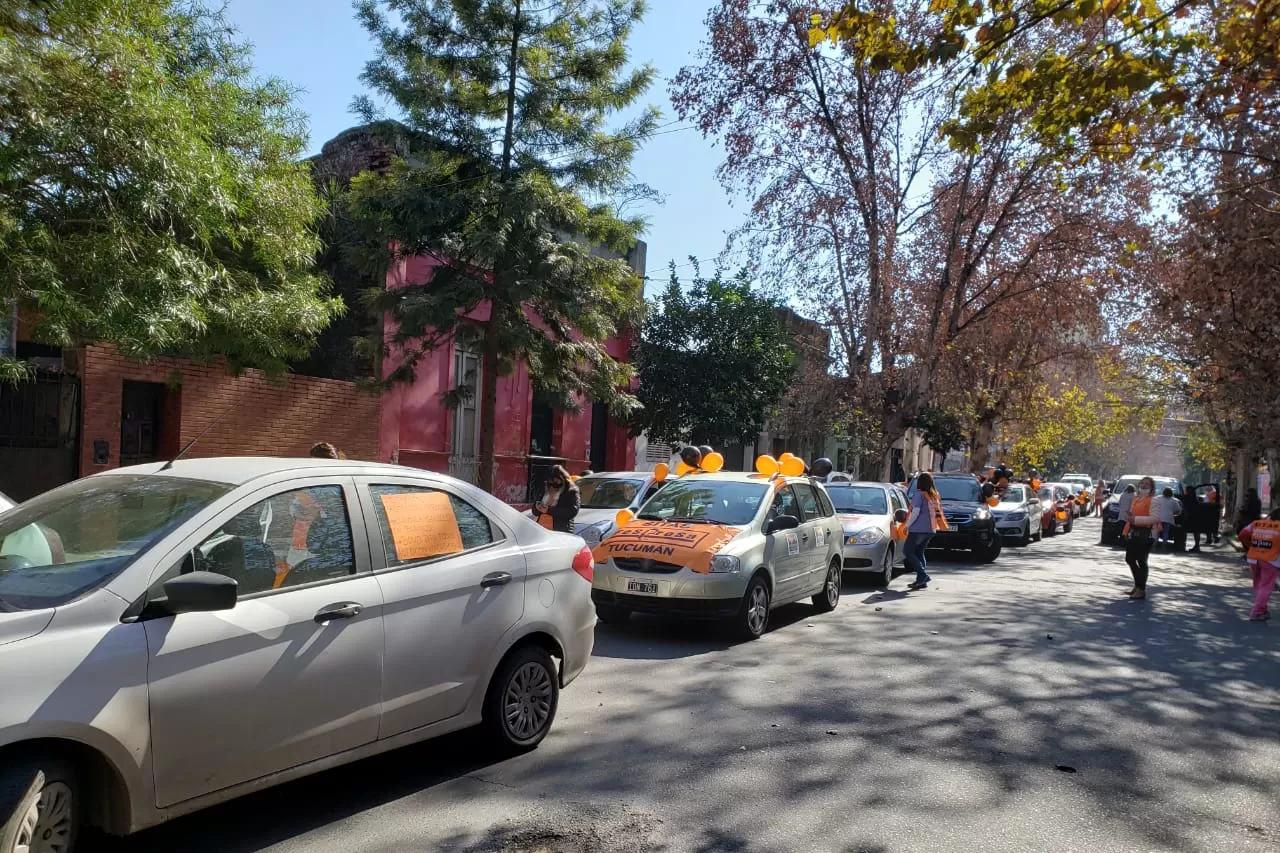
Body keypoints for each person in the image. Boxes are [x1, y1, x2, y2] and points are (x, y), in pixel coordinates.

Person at [1238, 507, 1280, 621]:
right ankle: (1257, 611)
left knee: (1259, 585)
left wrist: (1249, 546)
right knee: (1266, 586)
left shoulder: (1257, 524)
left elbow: (1242, 534)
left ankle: (1263, 609)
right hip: (1271, 559)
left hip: (1253, 558)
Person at [904, 472, 944, 591]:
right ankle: (921, 581)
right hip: (931, 529)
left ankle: (922, 575)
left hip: (918, 529)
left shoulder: (919, 494)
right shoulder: (934, 495)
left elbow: (915, 512)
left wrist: (907, 525)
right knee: (919, 552)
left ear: (920, 482)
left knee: (908, 551)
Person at [1121, 476, 1159, 599]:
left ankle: (1141, 589)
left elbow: (1155, 518)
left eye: (1147, 484)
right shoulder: (1136, 499)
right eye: (1142, 483)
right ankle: (1137, 585)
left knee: (1142, 561)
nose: (1143, 486)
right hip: (1133, 532)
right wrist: (1129, 517)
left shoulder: (1153, 500)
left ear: (1152, 487)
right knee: (1130, 559)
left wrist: (1136, 519)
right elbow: (1132, 514)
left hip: (1146, 533)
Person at [533, 465, 580, 534]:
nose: (553, 485)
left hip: (560, 530)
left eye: (556, 481)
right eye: (550, 482)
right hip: (541, 529)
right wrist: (537, 508)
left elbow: (572, 511)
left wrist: (549, 510)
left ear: (563, 479)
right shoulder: (545, 489)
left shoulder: (571, 491)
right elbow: (535, 510)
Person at [1182, 485, 1204, 552]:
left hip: (1188, 517)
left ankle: (1182, 545)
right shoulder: (1196, 499)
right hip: (1196, 517)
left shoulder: (1185, 498)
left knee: (1184, 530)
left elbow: (1183, 507)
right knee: (1196, 532)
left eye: (1185, 490)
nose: (1184, 491)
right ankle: (1197, 546)